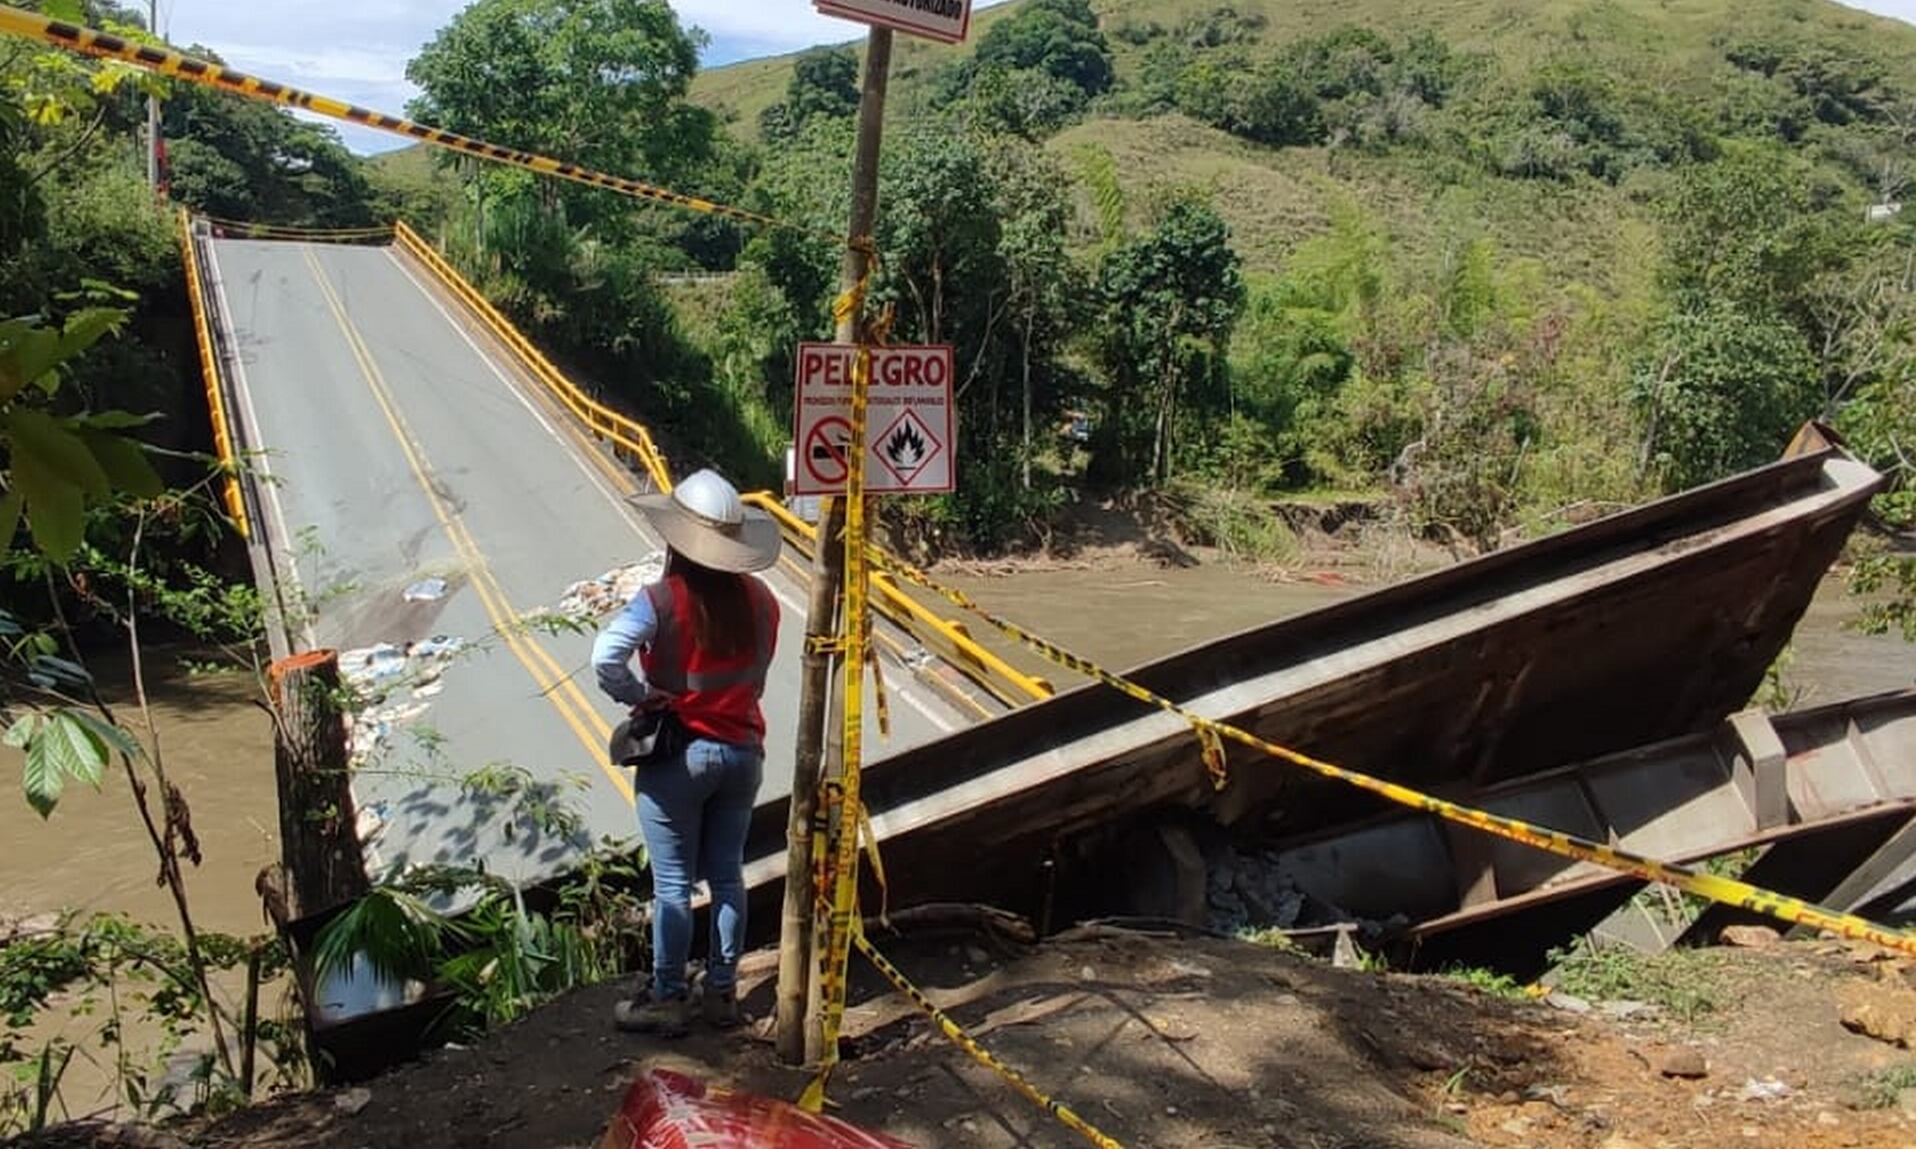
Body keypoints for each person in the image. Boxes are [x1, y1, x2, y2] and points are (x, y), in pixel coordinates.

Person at [592, 469, 781, 1036]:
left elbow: (606, 656)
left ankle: (667, 995)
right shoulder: (763, 601)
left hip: (681, 753)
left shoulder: (661, 601)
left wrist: (642, 695)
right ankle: (723, 992)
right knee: (728, 876)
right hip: (743, 751)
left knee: (672, 885)